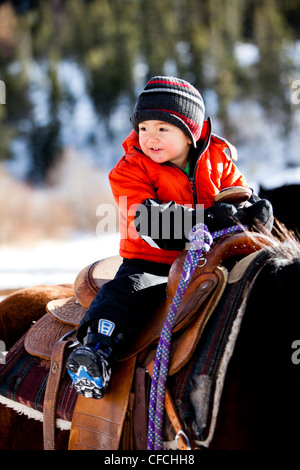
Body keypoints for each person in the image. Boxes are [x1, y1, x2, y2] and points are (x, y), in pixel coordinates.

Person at [67, 76, 273, 398]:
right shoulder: (130, 169)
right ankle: (96, 351)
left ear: (191, 133)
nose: (150, 137)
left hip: (212, 258)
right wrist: (205, 219)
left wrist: (254, 211)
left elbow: (239, 195)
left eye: (163, 129)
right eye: (144, 128)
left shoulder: (218, 159)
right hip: (151, 261)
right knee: (127, 293)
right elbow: (148, 222)